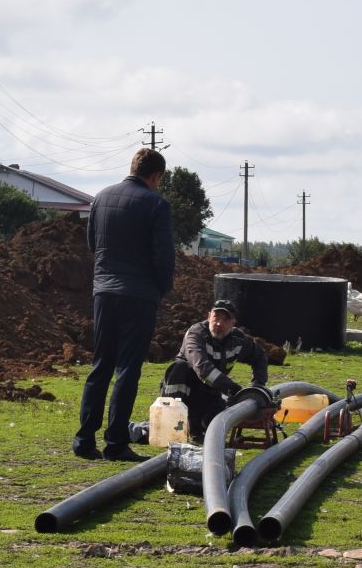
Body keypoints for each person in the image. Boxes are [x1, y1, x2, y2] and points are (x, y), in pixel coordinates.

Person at [76, 148, 175, 461]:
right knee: (127, 368)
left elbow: (93, 243)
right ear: (156, 176)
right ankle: (116, 442)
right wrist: (162, 288)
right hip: (139, 295)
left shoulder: (101, 198)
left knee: (101, 364)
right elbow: (164, 256)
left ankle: (84, 440)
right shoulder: (156, 204)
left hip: (104, 292)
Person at [160, 299, 270, 442]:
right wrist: (236, 390)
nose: (219, 323)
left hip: (211, 393)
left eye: (225, 319)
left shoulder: (238, 340)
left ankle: (198, 427)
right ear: (209, 315)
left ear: (233, 323)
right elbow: (203, 370)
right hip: (186, 393)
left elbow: (260, 356)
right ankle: (170, 425)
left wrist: (257, 386)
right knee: (179, 367)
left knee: (215, 426)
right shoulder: (196, 334)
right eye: (216, 317)